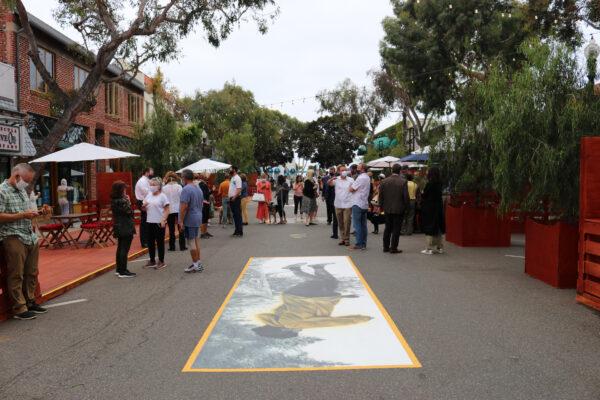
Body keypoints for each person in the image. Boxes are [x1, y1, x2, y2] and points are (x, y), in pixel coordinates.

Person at [0, 163, 47, 320]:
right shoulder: (2, 191)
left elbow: (27, 213)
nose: (27, 184)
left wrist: (40, 212)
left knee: (31, 272)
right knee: (16, 273)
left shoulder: (22, 191)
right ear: (17, 176)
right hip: (12, 236)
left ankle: (30, 300)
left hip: (29, 235)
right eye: (26, 181)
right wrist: (21, 215)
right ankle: (19, 307)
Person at [379, 164, 409, 254]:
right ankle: (393, 248)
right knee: (396, 229)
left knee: (387, 228)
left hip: (387, 208)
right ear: (400, 171)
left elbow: (381, 196)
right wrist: (407, 207)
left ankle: (385, 247)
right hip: (399, 209)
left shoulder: (384, 181)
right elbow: (406, 197)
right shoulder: (403, 181)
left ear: (392, 170)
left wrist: (381, 206)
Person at [179, 169, 205, 272]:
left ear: (184, 178)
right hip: (198, 216)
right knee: (196, 240)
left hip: (190, 218)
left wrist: (181, 221)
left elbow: (183, 207)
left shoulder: (186, 189)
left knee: (191, 241)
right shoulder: (198, 188)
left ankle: (195, 264)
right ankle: (198, 263)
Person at [111, 180, 137, 278]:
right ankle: (123, 271)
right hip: (125, 226)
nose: (126, 190)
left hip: (118, 226)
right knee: (124, 249)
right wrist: (129, 201)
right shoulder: (122, 201)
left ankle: (119, 269)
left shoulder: (114, 200)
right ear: (120, 190)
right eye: (124, 188)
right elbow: (130, 212)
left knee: (120, 247)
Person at [142, 178, 169, 269]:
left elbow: (167, 209)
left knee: (160, 242)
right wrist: (143, 206)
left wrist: (163, 219)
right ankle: (152, 260)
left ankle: (161, 261)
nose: (151, 186)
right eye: (151, 184)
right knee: (150, 242)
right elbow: (144, 208)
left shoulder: (163, 196)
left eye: (153, 185)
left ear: (159, 186)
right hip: (149, 221)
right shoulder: (149, 195)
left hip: (159, 222)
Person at [421, 167, 445, 255]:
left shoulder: (429, 184)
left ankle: (429, 248)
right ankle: (440, 247)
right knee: (438, 227)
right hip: (438, 208)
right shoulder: (440, 183)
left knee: (429, 227)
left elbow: (424, 195)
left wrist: (422, 192)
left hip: (430, 208)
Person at [329, 165, 354, 246]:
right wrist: (332, 179)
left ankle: (347, 239)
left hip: (348, 204)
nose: (344, 171)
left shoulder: (351, 180)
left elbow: (354, 189)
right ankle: (342, 238)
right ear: (339, 171)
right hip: (338, 204)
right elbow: (329, 184)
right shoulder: (336, 179)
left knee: (347, 222)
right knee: (340, 223)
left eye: (345, 170)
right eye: (342, 170)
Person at [349, 163, 370, 250]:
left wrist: (351, 186)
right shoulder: (367, 177)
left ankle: (359, 244)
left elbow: (351, 189)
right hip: (364, 203)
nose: (357, 167)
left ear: (361, 169)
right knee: (363, 225)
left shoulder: (360, 178)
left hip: (357, 203)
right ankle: (363, 243)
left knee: (357, 225)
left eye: (358, 166)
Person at [162, 172, 186, 252]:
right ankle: (182, 246)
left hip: (169, 209)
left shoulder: (164, 188)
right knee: (180, 227)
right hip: (178, 209)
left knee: (171, 229)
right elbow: (182, 197)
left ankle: (172, 246)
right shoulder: (179, 187)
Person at [134, 167, 153, 248]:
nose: (153, 172)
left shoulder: (146, 180)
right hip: (142, 201)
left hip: (146, 201)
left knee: (147, 222)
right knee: (144, 222)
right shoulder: (142, 181)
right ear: (147, 172)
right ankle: (144, 242)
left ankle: (147, 240)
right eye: (151, 171)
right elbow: (147, 192)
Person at [322, 166, 338, 238]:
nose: (331, 171)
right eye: (330, 169)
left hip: (334, 196)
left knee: (333, 209)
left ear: (334, 171)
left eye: (332, 170)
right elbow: (324, 187)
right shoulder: (325, 178)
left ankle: (334, 220)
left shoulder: (337, 177)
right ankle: (329, 220)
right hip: (327, 195)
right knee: (328, 208)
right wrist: (323, 195)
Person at [229, 166, 244, 237]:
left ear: (234, 170)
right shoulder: (232, 178)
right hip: (232, 198)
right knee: (235, 215)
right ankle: (236, 230)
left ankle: (239, 231)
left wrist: (234, 197)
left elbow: (239, 189)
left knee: (237, 215)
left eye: (230, 169)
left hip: (235, 198)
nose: (229, 170)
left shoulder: (237, 178)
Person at [197, 175, 212, 239]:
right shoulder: (201, 184)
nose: (207, 177)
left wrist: (211, 191)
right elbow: (204, 194)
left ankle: (205, 231)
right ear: (201, 177)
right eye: (205, 176)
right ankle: (202, 233)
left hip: (207, 202)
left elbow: (207, 193)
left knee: (206, 218)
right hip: (204, 203)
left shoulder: (204, 184)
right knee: (203, 218)